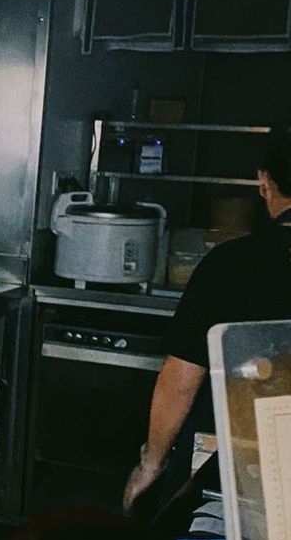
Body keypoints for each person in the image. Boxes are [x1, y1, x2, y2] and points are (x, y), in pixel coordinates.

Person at [123, 130, 291, 515]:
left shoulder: (230, 265)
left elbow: (181, 379)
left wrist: (151, 466)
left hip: (236, 463)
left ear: (264, 182)